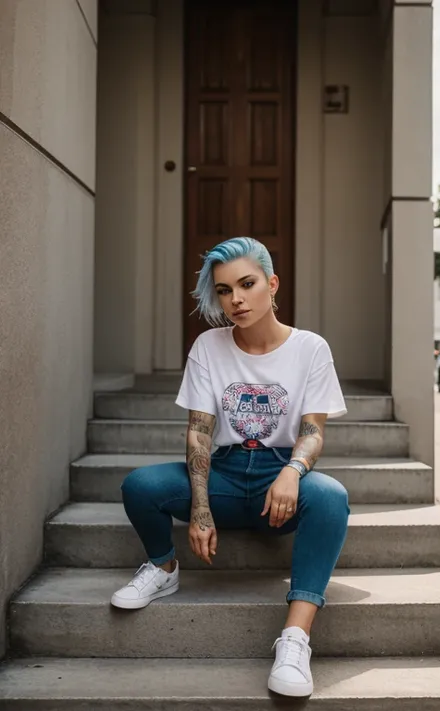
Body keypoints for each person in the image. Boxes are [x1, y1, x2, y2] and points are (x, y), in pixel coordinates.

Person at [111, 237, 350, 698]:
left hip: (278, 482)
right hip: (222, 474)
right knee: (141, 486)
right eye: (223, 290)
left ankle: (295, 640)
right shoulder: (209, 345)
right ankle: (163, 567)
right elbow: (200, 432)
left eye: (246, 284)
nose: (235, 299)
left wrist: (292, 472)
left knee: (331, 498)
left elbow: (313, 431)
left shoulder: (311, 349)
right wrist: (200, 509)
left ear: (271, 284)